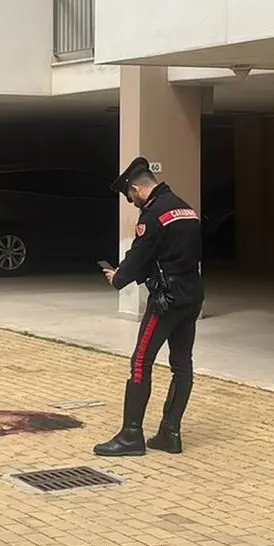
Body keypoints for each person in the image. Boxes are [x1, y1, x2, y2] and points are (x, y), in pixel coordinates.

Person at [95, 156, 204, 458]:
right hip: (191, 296)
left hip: (165, 301)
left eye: (130, 197)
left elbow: (141, 255)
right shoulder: (186, 209)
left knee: (141, 362)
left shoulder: (153, 215)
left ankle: (131, 435)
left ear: (136, 189)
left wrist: (119, 278)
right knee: (182, 365)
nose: (132, 203)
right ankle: (171, 433)